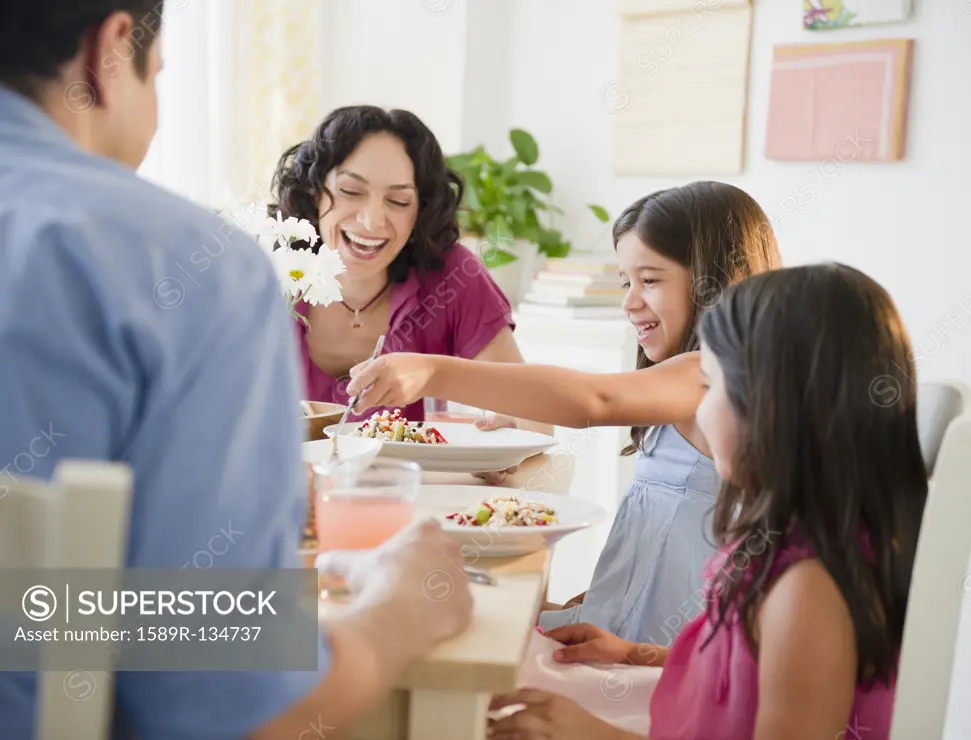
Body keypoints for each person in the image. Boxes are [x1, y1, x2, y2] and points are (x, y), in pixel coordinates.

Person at [0, 4, 472, 738]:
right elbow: (231, 708)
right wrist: (400, 608)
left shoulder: (447, 279)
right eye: (159, 77)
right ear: (113, 51)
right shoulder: (183, 265)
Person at [486, 263, 930, 740]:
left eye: (711, 385)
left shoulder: (811, 591)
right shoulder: (788, 539)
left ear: (775, 408)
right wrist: (637, 652)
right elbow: (743, 668)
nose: (699, 407)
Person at [346, 182, 782, 644]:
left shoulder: (716, 375)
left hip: (655, 659)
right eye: (626, 281)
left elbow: (595, 400)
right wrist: (592, 598)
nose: (630, 301)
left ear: (723, 277)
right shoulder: (682, 388)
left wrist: (432, 372)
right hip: (621, 630)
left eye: (650, 280)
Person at [267, 105, 551, 435]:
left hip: (420, 487)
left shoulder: (453, 277)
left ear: (420, 211)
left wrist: (511, 432)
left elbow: (537, 415)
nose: (371, 221)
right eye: (351, 191)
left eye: (398, 201)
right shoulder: (266, 277)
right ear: (314, 191)